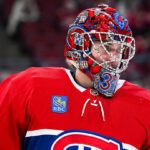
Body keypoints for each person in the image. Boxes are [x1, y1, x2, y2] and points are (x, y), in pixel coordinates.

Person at [0, 4, 150, 150]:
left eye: (120, 50)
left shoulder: (144, 106)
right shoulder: (28, 87)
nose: (114, 58)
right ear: (79, 45)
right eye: (107, 47)